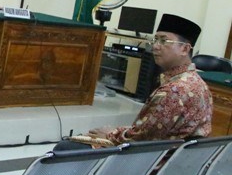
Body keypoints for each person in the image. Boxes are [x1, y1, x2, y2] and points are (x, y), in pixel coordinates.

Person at [66, 14, 213, 149]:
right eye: (155, 40)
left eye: (164, 41)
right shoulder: (199, 83)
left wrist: (110, 134)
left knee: (68, 147)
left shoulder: (174, 91)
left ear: (185, 49)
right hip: (174, 159)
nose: (155, 46)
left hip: (151, 161)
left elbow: (141, 139)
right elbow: (150, 130)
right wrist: (118, 131)